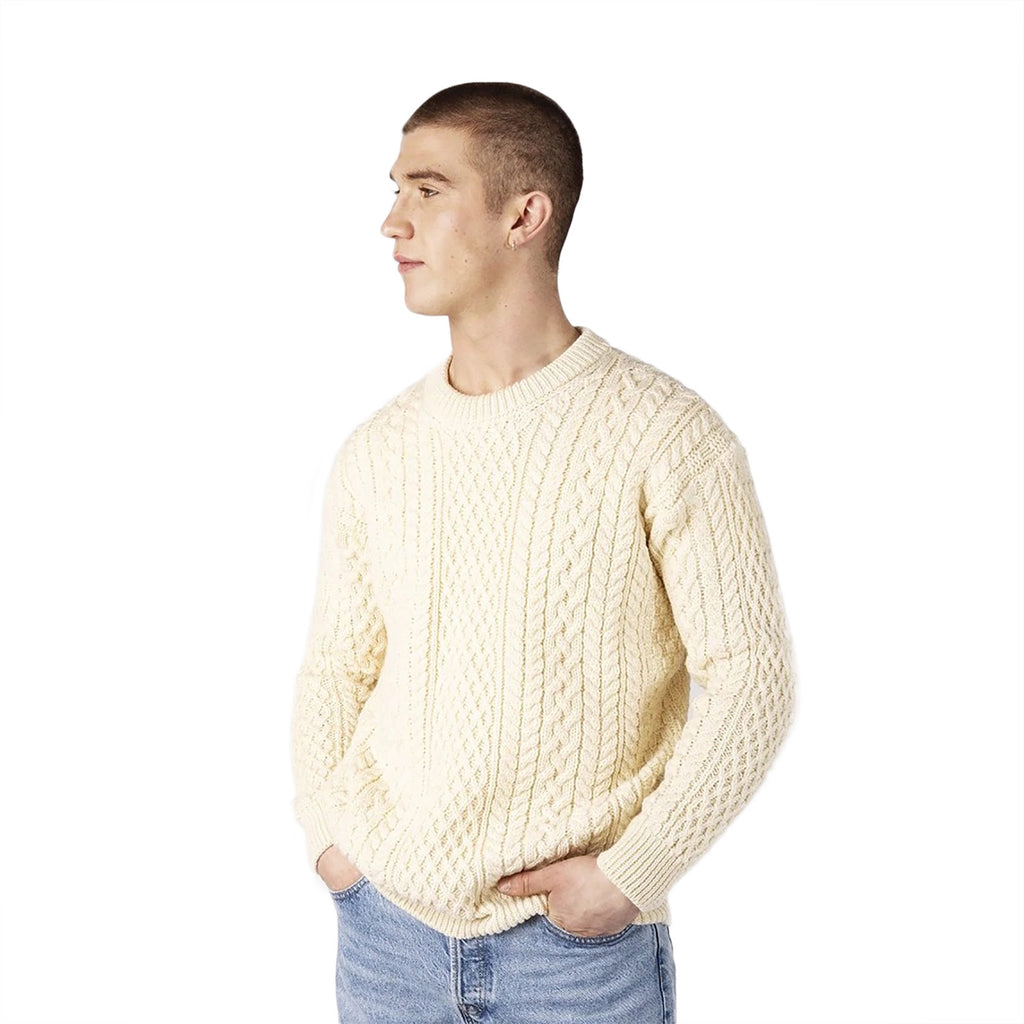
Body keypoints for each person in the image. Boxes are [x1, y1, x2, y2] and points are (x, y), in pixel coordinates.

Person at [290, 81, 795, 1024]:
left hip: (576, 958)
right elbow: (337, 670)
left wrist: (631, 875)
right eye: (396, 190)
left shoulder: (666, 434)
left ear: (525, 215)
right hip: (387, 938)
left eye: (426, 190)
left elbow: (751, 678)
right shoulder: (378, 450)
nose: (392, 221)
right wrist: (331, 842)